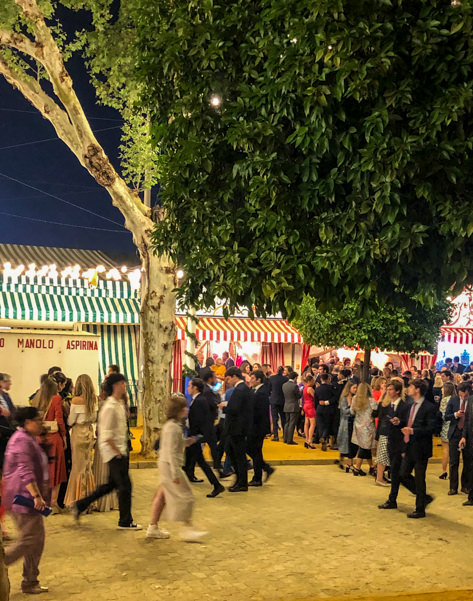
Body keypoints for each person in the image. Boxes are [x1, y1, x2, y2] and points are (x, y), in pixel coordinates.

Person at [72, 373, 141, 530]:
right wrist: (117, 451)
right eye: (122, 384)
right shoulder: (109, 406)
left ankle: (80, 505)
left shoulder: (117, 404)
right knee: (125, 487)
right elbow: (107, 433)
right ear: (115, 386)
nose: (124, 386)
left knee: (111, 485)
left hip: (118, 450)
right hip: (114, 452)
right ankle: (125, 521)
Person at [147, 393, 207, 542]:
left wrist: (188, 442)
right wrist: (175, 474)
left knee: (161, 497)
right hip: (170, 467)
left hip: (165, 465)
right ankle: (187, 528)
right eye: (184, 407)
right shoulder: (173, 428)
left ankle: (152, 527)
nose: (186, 409)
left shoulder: (171, 426)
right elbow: (171, 453)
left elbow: (171, 446)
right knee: (186, 496)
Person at [3, 407, 49, 594]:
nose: (41, 423)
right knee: (31, 539)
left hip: (26, 497)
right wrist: (36, 495)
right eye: (38, 420)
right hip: (22, 498)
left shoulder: (27, 438)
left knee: (36, 540)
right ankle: (3, 562)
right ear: (27, 422)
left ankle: (30, 580)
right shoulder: (22, 441)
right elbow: (24, 470)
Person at [395, 379, 437, 518]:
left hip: (421, 447)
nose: (408, 388)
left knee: (420, 477)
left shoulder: (429, 407)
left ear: (418, 389)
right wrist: (399, 422)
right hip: (409, 445)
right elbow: (408, 421)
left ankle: (420, 508)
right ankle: (424, 497)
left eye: (411, 386)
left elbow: (431, 428)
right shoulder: (410, 405)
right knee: (403, 474)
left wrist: (413, 431)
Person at [31, 376, 66, 513]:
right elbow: (59, 419)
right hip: (53, 438)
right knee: (56, 470)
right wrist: (63, 436)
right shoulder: (56, 399)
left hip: (39, 438)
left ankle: (40, 500)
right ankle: (53, 502)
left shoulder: (36, 400)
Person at [184, 378, 224, 498]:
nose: (188, 388)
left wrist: (196, 437)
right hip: (194, 436)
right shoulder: (196, 400)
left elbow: (201, 421)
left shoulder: (200, 401)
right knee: (190, 461)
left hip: (196, 436)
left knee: (201, 462)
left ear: (195, 388)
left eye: (190, 386)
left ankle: (217, 485)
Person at [64, 375, 98, 509]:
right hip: (89, 432)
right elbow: (94, 418)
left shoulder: (76, 400)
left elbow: (71, 421)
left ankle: (77, 499)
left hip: (78, 433)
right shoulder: (94, 399)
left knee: (77, 468)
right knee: (87, 467)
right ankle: (89, 500)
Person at [222, 367, 253, 492]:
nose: (228, 382)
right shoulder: (242, 389)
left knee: (238, 456)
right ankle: (239, 480)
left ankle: (242, 482)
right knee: (231, 451)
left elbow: (235, 409)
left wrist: (223, 407)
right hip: (237, 428)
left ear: (234, 376)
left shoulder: (240, 390)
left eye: (228, 379)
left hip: (238, 428)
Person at [91, 383, 118, 512]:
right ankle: (111, 501)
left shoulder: (102, 405)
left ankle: (100, 501)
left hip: (103, 439)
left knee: (100, 468)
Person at [247, 370, 274, 486]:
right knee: (253, 450)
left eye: (252, 378)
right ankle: (265, 468)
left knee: (255, 451)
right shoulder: (256, 391)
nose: (250, 380)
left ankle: (258, 477)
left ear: (258, 380)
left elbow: (260, 413)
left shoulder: (261, 393)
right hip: (256, 426)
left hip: (258, 427)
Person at [446, 381, 471, 495]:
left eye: (465, 395)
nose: (463, 397)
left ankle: (465, 486)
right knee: (453, 461)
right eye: (461, 395)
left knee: (467, 461)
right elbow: (446, 416)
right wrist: (456, 415)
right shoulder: (453, 400)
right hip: (455, 433)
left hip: (468, 435)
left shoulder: (471, 401)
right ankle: (453, 487)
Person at [350, 383, 377, 476]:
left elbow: (351, 412)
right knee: (364, 447)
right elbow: (376, 410)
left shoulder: (355, 399)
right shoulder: (371, 401)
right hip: (368, 425)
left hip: (358, 425)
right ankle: (357, 467)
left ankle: (372, 466)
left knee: (365, 447)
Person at [337, 381, 358, 472]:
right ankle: (348, 462)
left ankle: (345, 461)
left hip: (353, 423)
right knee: (347, 443)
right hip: (346, 423)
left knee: (349, 444)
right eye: (354, 388)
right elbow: (345, 412)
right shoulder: (344, 399)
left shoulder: (355, 398)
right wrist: (352, 408)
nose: (356, 390)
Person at [438, 381, 455, 481]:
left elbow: (443, 414)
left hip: (446, 426)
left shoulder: (444, 400)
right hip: (454, 425)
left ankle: (444, 471)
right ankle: (453, 471)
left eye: (443, 388)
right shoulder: (456, 399)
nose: (441, 389)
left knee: (445, 449)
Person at [314, 373, 335, 451]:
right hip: (328, 408)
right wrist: (327, 402)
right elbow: (335, 398)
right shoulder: (331, 388)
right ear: (328, 379)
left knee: (320, 425)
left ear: (321, 379)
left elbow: (315, 400)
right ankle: (324, 437)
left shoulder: (317, 389)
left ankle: (322, 437)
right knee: (327, 425)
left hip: (319, 408)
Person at [0, 373, 15, 469]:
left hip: (7, 429)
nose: (10, 383)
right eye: (7, 381)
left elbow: (12, 411)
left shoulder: (5, 395)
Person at [268, 367, 288, 441]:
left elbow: (269, 389)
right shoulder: (285, 379)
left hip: (273, 400)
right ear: (283, 372)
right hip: (282, 400)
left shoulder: (272, 378)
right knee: (283, 418)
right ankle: (285, 435)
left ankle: (276, 436)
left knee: (274, 418)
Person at [282, 372, 301, 445]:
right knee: (292, 423)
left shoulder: (284, 385)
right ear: (295, 378)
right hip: (293, 406)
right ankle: (290, 440)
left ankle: (285, 438)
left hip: (286, 405)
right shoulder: (295, 386)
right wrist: (301, 391)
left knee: (287, 422)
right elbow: (298, 396)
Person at [302, 374, 316, 449]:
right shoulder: (310, 388)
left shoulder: (304, 388)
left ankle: (306, 439)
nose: (314, 382)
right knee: (313, 424)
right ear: (310, 381)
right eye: (313, 380)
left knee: (306, 423)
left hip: (305, 405)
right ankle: (310, 441)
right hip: (310, 406)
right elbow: (315, 397)